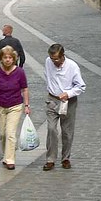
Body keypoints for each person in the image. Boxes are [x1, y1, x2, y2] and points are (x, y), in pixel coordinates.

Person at [42, 43, 86, 171]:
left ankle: (65, 158)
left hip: (68, 101)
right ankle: (50, 159)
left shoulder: (72, 66)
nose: (54, 61)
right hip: (52, 99)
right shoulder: (48, 62)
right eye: (52, 58)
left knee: (67, 131)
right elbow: (47, 75)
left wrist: (68, 93)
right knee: (51, 129)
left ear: (63, 56)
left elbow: (81, 86)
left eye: (56, 59)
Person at [0, 46, 30, 170]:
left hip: (15, 105)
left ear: (14, 59)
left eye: (10, 57)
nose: (8, 60)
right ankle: (6, 155)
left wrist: (26, 105)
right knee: (3, 134)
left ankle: (10, 159)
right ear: (1, 58)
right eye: (5, 57)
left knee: (10, 133)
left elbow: (25, 89)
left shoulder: (20, 72)